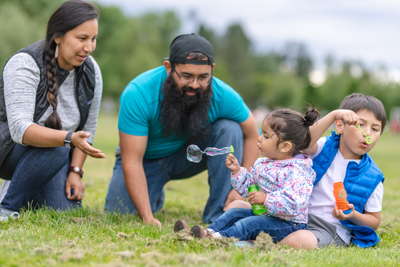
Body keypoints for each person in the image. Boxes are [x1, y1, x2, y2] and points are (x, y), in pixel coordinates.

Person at [104, 33, 260, 226]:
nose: (194, 85)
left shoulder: (224, 95)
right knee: (118, 212)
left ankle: (219, 216)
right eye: (186, 76)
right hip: (145, 160)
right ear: (169, 68)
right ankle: (154, 192)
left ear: (212, 70)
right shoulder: (138, 93)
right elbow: (132, 160)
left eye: (203, 77)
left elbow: (253, 134)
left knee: (230, 129)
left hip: (188, 154)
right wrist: (148, 217)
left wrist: (241, 188)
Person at [0, 0, 104, 221]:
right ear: (58, 36)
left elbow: (88, 128)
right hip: (7, 149)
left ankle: (26, 186)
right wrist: (68, 138)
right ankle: (7, 208)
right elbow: (20, 130)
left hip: (52, 154)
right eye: (82, 38)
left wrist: (75, 172)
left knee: (64, 212)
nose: (89, 47)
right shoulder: (25, 63)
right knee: (61, 144)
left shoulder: (92, 71)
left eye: (93, 39)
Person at [174, 107, 319, 242]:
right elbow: (249, 188)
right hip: (267, 216)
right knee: (234, 213)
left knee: (250, 223)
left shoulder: (298, 172)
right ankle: (207, 232)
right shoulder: (265, 164)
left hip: (288, 224)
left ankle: (219, 239)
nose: (260, 138)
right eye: (262, 133)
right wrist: (237, 171)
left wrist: (266, 199)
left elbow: (294, 205)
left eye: (266, 136)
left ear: (285, 146)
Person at [280, 93, 386, 248]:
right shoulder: (324, 147)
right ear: (340, 126)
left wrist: (353, 215)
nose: (368, 133)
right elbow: (304, 144)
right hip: (297, 217)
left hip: (331, 230)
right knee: (243, 208)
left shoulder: (372, 177)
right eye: (361, 125)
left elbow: (374, 222)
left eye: (375, 129)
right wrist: (333, 115)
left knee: (301, 240)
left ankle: (260, 246)